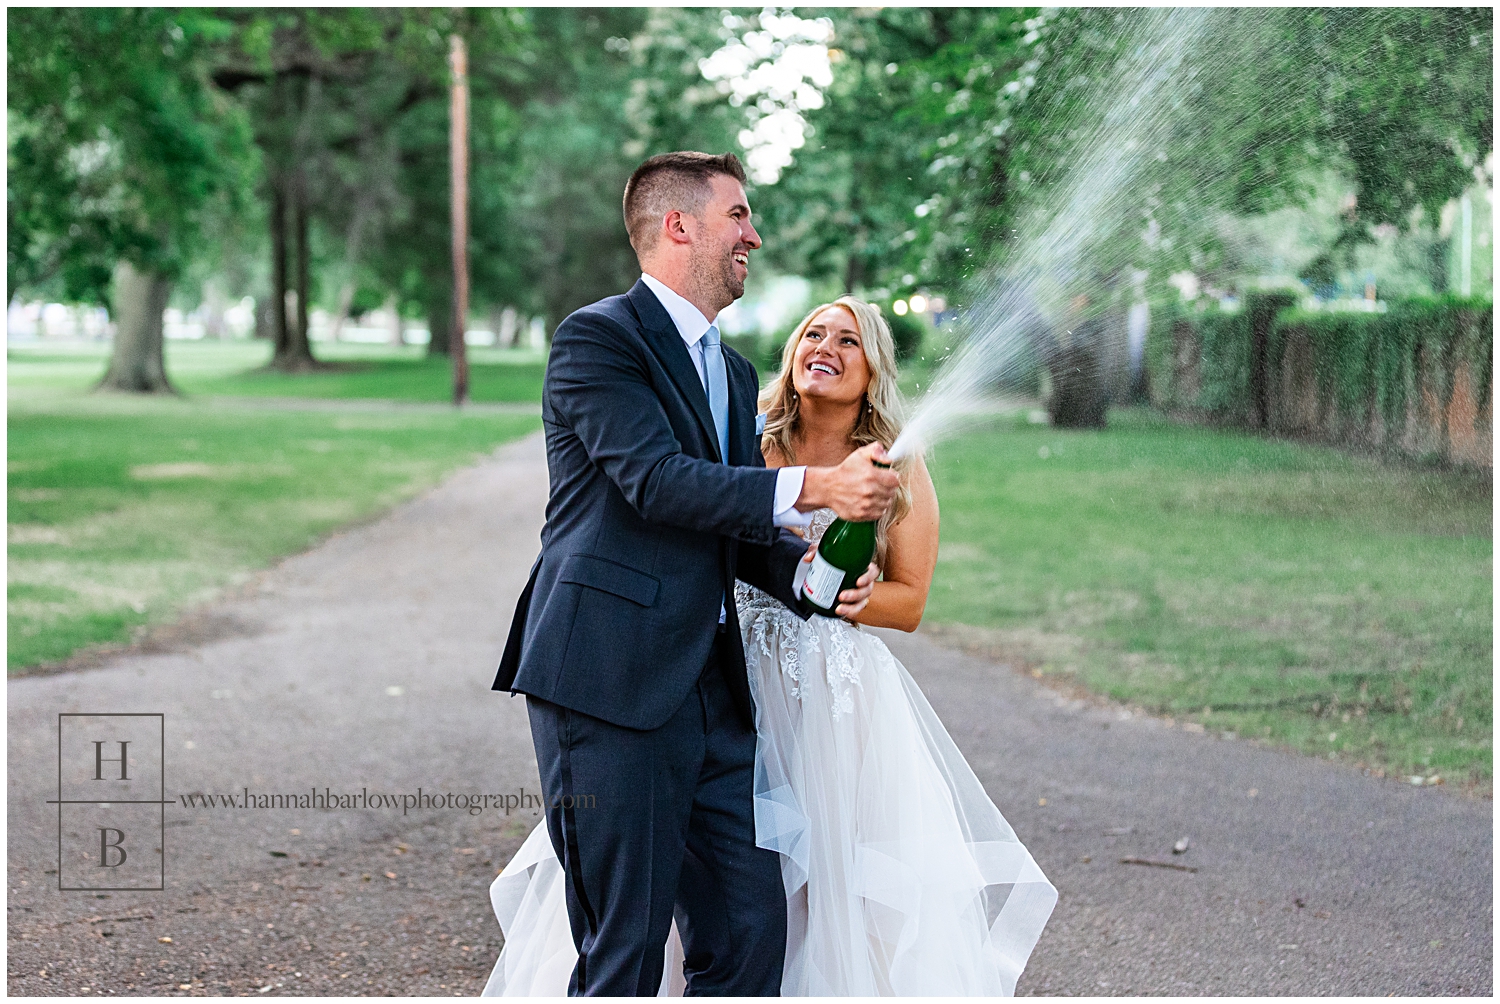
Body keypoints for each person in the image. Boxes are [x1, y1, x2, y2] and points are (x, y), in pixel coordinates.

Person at [485, 291, 1057, 996]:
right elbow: (691, 504)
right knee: (650, 900)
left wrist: (835, 594)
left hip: (829, 689)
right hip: (723, 665)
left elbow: (908, 600)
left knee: (801, 882)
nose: (827, 347)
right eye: (814, 332)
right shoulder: (747, 429)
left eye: (849, 341)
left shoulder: (893, 464)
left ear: (873, 369)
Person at [488, 151, 901, 997]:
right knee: (626, 949)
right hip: (608, 679)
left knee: (752, 933)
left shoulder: (737, 368)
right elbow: (655, 481)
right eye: (739, 215)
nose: (755, 233)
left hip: (713, 694)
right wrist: (818, 486)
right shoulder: (599, 338)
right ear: (680, 227)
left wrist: (816, 579)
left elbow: (730, 528)